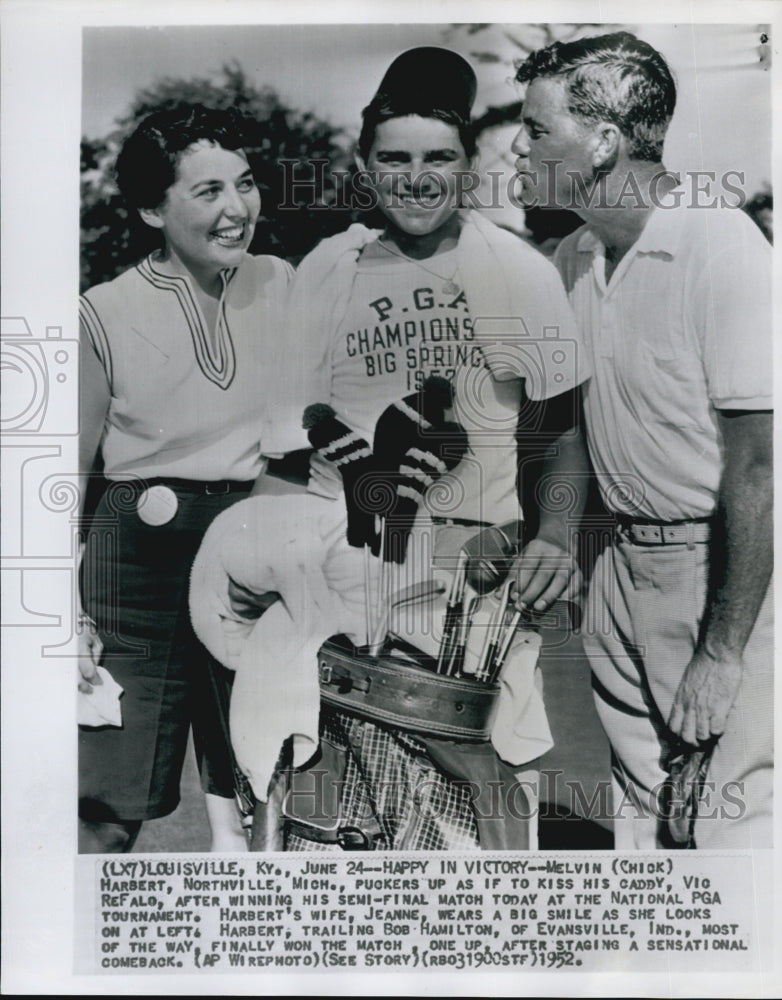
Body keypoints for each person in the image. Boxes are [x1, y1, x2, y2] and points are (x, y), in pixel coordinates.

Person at [190, 47, 591, 851]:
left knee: (465, 831)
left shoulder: (518, 273)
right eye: (395, 159)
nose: (417, 177)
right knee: (325, 824)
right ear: (364, 168)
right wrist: (267, 577)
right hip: (333, 582)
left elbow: (559, 437)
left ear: (470, 164)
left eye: (439, 157)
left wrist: (550, 536)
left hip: (468, 585)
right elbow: (286, 453)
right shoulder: (326, 272)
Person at [512, 31, 773, 849]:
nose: (518, 149)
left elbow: (762, 466)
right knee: (643, 829)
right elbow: (571, 426)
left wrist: (722, 649)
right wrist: (557, 530)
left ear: (602, 141)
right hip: (618, 573)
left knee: (735, 825)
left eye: (535, 130)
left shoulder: (720, 243)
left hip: (725, 574)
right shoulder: (570, 257)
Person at [77, 104, 293, 853]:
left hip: (257, 553)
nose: (237, 209)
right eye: (207, 192)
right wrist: (58, 619)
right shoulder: (100, 312)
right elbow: (63, 476)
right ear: (149, 208)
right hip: (134, 571)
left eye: (245, 183)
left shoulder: (285, 283)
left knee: (268, 792)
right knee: (108, 804)